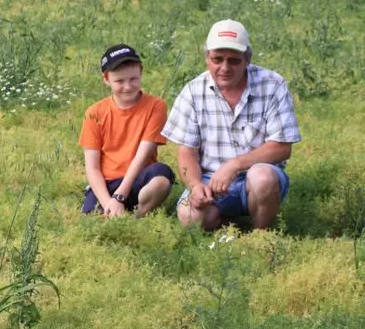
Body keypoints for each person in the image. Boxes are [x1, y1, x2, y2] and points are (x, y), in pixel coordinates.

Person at [162, 19, 302, 231]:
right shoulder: (193, 91)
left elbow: (282, 147)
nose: (225, 68)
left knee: (262, 178)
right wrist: (196, 185)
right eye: (217, 59)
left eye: (234, 60)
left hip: (256, 175)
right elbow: (187, 152)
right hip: (210, 179)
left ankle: (261, 234)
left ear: (247, 59)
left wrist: (235, 165)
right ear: (206, 58)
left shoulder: (272, 85)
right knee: (188, 215)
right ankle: (230, 227)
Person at [79, 44, 175, 218]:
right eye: (119, 81)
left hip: (138, 178)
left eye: (133, 79)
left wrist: (120, 196)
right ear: (106, 79)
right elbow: (92, 167)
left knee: (162, 176)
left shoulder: (156, 106)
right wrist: (109, 201)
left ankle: (138, 216)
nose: (128, 86)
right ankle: (112, 211)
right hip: (107, 183)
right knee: (93, 218)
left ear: (141, 71)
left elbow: (143, 155)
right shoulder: (94, 113)